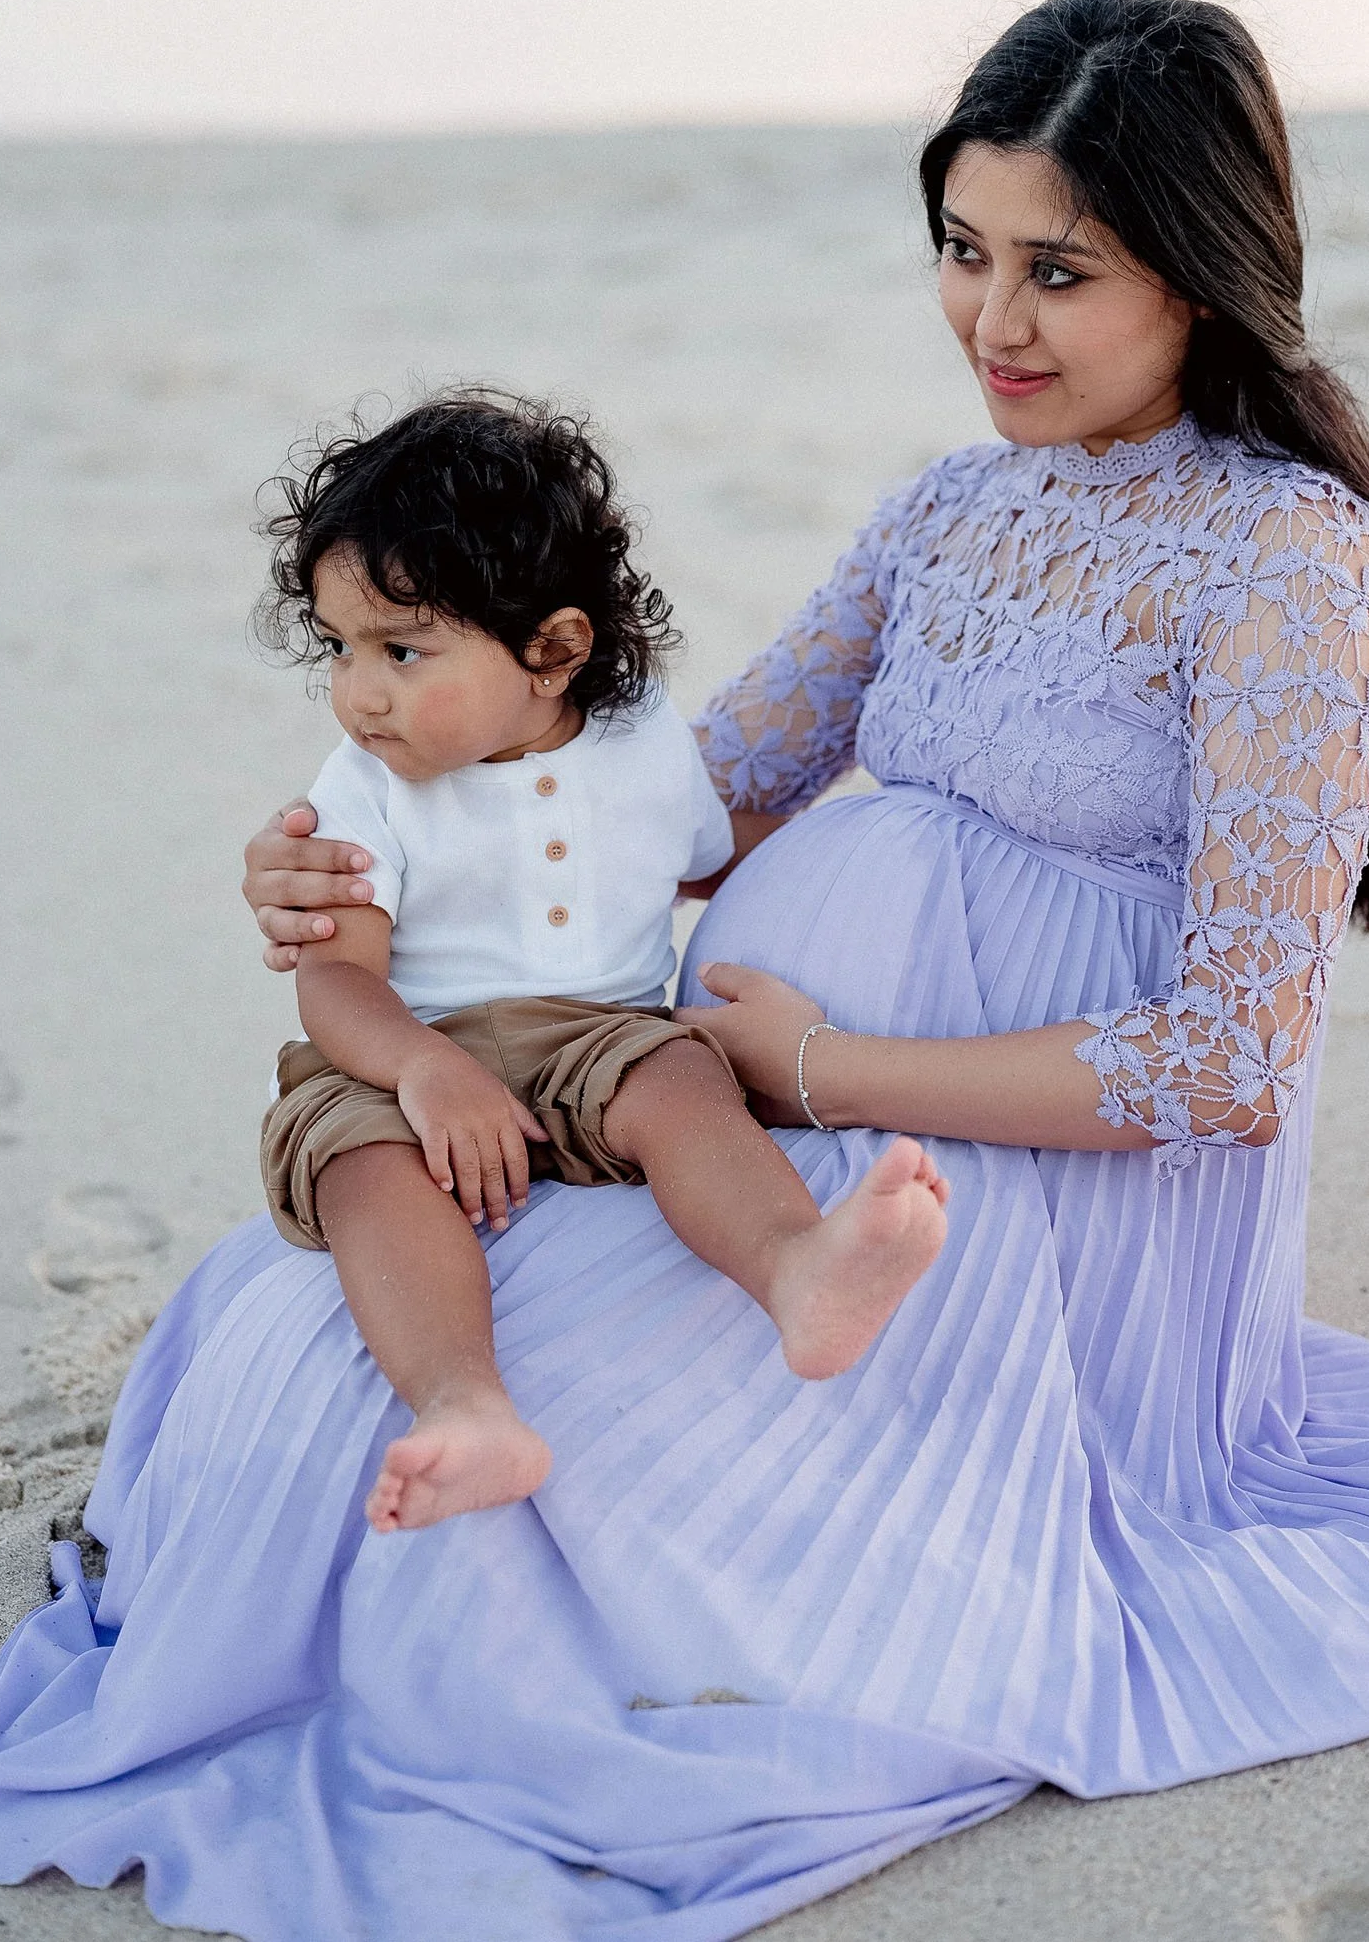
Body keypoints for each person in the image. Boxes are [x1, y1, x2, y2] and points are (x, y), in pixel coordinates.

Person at [0, 0, 1369, 1942]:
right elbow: (699, 793)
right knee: (312, 1313)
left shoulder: (1293, 567)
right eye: (960, 251)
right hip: (754, 1126)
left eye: (1054, 271)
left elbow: (1217, 1064)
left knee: (482, 1477)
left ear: (1204, 269)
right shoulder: (944, 507)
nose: (987, 321)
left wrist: (824, 1069)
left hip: (1011, 1215)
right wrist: (385, 851)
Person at [254, 392, 949, 1529]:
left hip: (598, 1039)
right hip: (406, 1049)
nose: (359, 690)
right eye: (340, 648)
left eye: (402, 648)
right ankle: (465, 1405)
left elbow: (713, 860)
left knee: (681, 1076)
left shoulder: (641, 747)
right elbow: (333, 977)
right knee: (354, 1164)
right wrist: (423, 1071)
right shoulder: (363, 786)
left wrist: (882, 840)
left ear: (553, 650)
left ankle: (796, 1268)